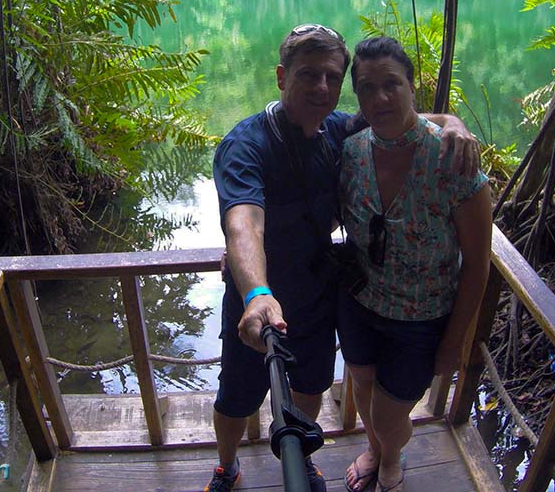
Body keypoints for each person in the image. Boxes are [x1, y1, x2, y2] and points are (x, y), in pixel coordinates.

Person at [207, 25, 482, 492]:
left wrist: (452, 122)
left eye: (333, 78)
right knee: (237, 397)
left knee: (310, 388)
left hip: (318, 297)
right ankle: (227, 464)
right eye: (308, 75)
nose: (322, 88)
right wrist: (255, 290)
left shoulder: (339, 130)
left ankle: (307, 457)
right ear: (281, 76)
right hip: (257, 305)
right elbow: (244, 224)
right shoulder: (247, 145)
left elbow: (398, 117)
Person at [337, 37, 493, 492]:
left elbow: (477, 265)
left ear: (411, 87)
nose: (380, 98)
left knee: (390, 415)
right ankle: (375, 450)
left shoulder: (452, 159)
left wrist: (453, 342)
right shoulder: (351, 152)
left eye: (392, 84)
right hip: (360, 301)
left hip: (420, 318)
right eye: (367, 88)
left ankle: (390, 453)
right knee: (364, 389)